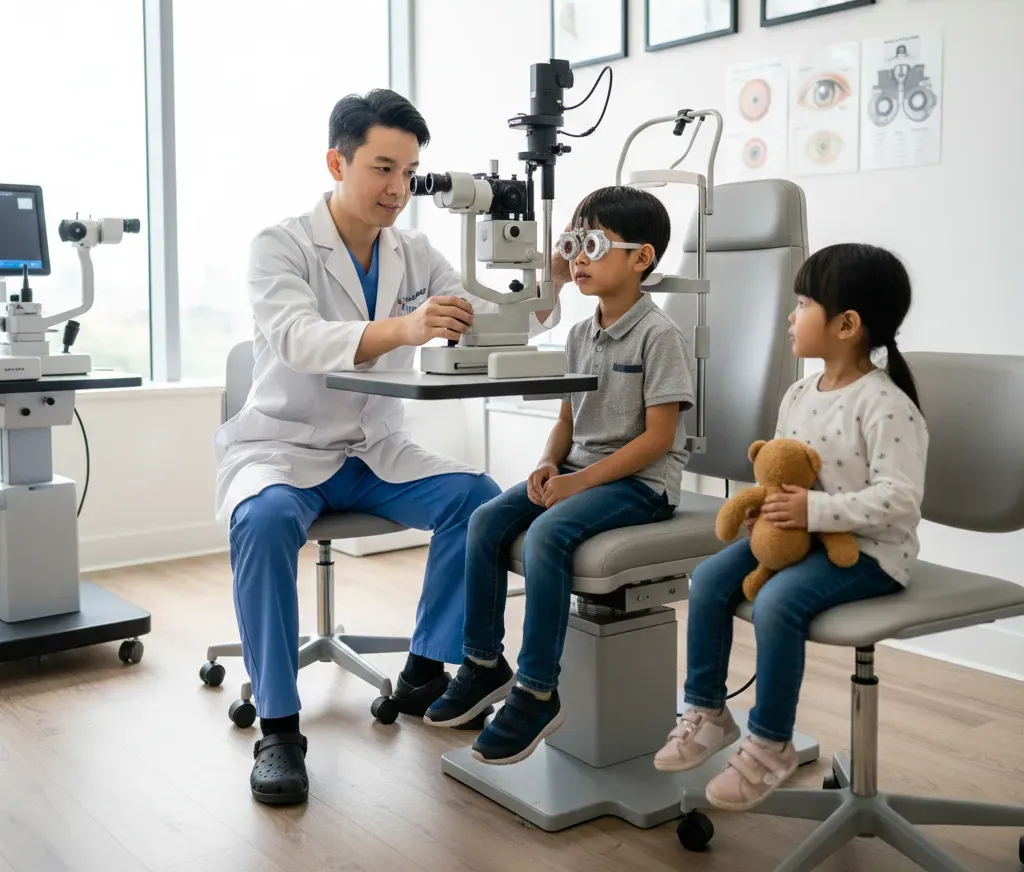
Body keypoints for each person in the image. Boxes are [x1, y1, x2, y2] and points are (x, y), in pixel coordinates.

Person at [213, 89, 569, 806]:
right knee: (264, 521)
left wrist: (549, 281)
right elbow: (298, 338)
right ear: (335, 161)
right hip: (287, 449)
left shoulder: (415, 251)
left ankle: (426, 670)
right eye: (382, 168)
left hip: (374, 451)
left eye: (409, 172)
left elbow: (487, 316)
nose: (398, 189)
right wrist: (406, 330)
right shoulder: (280, 245)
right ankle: (280, 731)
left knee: (475, 499)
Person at [424, 185, 696, 765]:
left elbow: (658, 439)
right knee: (485, 519)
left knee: (549, 535)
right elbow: (568, 421)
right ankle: (480, 662)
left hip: (640, 484)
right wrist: (549, 464)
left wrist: (578, 484)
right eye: (573, 243)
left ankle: (536, 690)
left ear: (641, 258)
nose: (577, 258)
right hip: (577, 470)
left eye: (593, 244)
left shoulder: (660, 336)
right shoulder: (578, 334)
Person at [654, 243, 929, 811]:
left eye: (804, 303)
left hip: (871, 554)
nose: (791, 315)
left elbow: (900, 500)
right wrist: (769, 509)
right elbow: (783, 470)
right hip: (802, 541)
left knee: (777, 604)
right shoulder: (800, 393)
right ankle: (706, 710)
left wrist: (813, 512)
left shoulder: (885, 404)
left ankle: (772, 742)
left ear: (847, 324)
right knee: (707, 581)